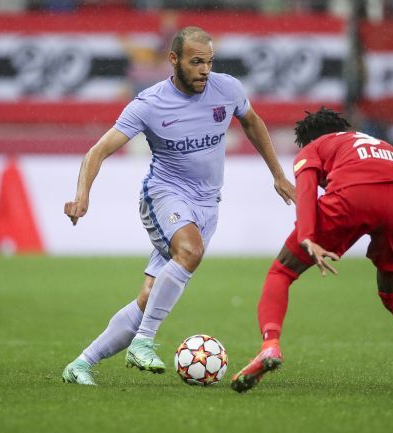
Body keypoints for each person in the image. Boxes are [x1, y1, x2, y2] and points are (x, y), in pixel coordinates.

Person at [61, 26, 295, 386]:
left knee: (148, 298)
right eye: (196, 62)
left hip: (207, 205)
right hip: (164, 195)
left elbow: (253, 122)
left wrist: (278, 174)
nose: (205, 70)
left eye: (209, 62)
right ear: (173, 60)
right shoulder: (149, 104)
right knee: (190, 251)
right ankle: (143, 342)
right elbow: (98, 151)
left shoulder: (227, 89)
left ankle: (81, 365)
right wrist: (82, 196)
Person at [230, 108, 393, 395]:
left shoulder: (314, 147)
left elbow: (307, 189)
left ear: (308, 141)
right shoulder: (382, 148)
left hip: (349, 199)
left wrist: (307, 236)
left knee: (281, 271)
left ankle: (270, 345)